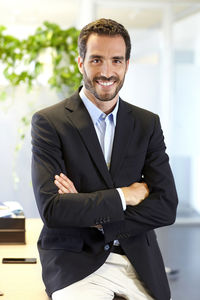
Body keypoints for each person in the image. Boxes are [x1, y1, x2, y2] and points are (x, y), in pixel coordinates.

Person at [31, 18, 178, 300]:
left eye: (116, 61)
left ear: (126, 65)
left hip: (136, 258)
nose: (107, 71)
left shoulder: (147, 124)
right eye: (96, 60)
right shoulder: (50, 123)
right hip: (74, 259)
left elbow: (165, 206)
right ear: (80, 63)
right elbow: (53, 209)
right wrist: (125, 195)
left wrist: (95, 218)